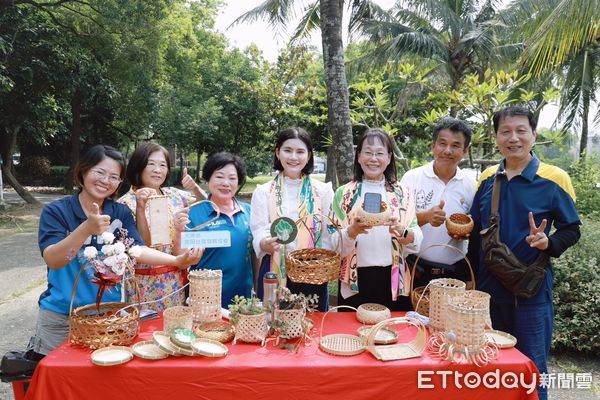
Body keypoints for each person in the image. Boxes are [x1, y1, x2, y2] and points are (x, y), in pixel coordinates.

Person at [31, 145, 202, 358]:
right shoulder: (57, 211)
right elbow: (53, 260)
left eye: (114, 177)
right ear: (83, 171)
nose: (105, 181)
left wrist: (177, 259)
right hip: (61, 317)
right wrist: (86, 228)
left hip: (109, 315)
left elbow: (136, 249)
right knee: (55, 381)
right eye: (99, 172)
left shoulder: (119, 212)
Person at [468, 106, 581, 400]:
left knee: (532, 371)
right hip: (488, 296)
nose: (513, 138)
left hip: (531, 295)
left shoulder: (555, 179)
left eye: (521, 131)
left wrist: (549, 242)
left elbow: (572, 229)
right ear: (496, 137)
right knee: (489, 369)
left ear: (534, 135)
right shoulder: (487, 179)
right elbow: (474, 234)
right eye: (505, 131)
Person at [331, 128, 422, 311]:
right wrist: (351, 232)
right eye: (368, 152)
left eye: (380, 153)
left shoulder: (403, 193)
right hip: (354, 279)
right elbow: (333, 244)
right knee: (352, 335)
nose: (373, 159)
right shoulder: (345, 193)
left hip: (393, 278)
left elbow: (415, 236)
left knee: (393, 334)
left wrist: (402, 231)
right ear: (358, 156)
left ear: (389, 158)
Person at [251, 127, 334, 311]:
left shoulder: (323, 191)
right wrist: (265, 243)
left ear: (309, 155)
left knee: (313, 323)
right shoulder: (264, 191)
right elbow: (259, 229)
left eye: (300, 152)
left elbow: (329, 232)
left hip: (313, 271)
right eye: (288, 150)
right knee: (273, 323)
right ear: (277, 153)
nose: (293, 157)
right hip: (274, 268)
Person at [118, 142, 205, 312]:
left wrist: (194, 187)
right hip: (143, 285)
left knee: (174, 329)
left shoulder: (173, 194)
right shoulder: (124, 204)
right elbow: (141, 245)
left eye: (162, 165)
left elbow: (205, 203)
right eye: (151, 164)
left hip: (175, 282)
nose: (158, 170)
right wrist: (141, 208)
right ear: (138, 165)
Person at [400, 117, 476, 288]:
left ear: (465, 151)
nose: (447, 150)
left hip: (454, 273)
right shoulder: (411, 178)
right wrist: (426, 217)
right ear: (433, 145)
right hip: (413, 268)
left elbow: (474, 226)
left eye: (455, 145)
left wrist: (466, 232)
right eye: (442, 143)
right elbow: (398, 223)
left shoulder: (470, 185)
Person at [187, 152, 253, 309]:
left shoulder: (249, 212)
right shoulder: (193, 213)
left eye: (232, 178)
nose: (226, 183)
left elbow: (255, 255)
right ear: (208, 179)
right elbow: (182, 256)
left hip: (243, 300)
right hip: (205, 302)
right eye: (219, 177)